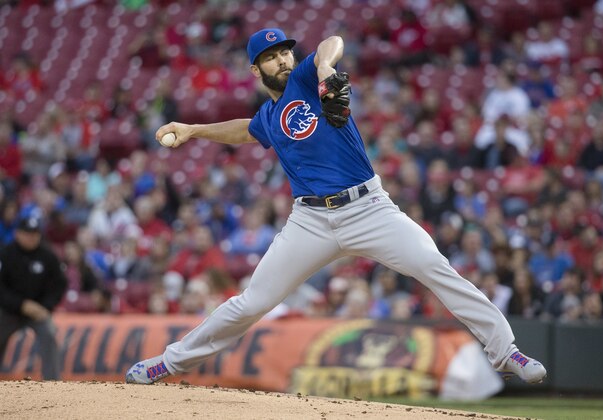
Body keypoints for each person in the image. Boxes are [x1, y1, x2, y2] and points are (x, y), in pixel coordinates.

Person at [125, 28, 546, 385]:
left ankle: (506, 352)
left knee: (434, 266)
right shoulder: (270, 115)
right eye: (271, 57)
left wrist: (325, 68)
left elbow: (333, 40)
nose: (283, 59)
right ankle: (171, 361)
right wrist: (194, 129)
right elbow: (243, 132)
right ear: (255, 70)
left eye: (285, 51)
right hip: (310, 221)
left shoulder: (307, 80)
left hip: (369, 209)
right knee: (252, 301)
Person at [0, 216, 68, 380]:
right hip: (9, 310)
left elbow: (60, 284)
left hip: (39, 311)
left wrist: (46, 307)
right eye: (27, 233)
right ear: (17, 234)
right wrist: (21, 305)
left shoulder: (47, 256)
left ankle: (53, 382)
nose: (31, 237)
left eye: (35, 234)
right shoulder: (6, 254)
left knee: (49, 334)